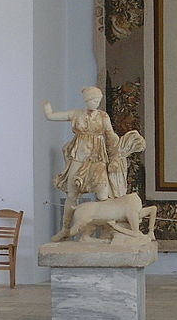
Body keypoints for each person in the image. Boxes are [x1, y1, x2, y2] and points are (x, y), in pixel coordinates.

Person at [43, 86, 125, 241]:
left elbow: (111, 136)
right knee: (71, 194)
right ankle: (65, 229)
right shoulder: (77, 114)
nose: (95, 103)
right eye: (93, 100)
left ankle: (107, 230)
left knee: (103, 194)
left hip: (98, 159)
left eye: (98, 100)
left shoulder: (103, 116)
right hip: (79, 156)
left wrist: (115, 156)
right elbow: (53, 116)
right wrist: (47, 110)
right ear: (86, 100)